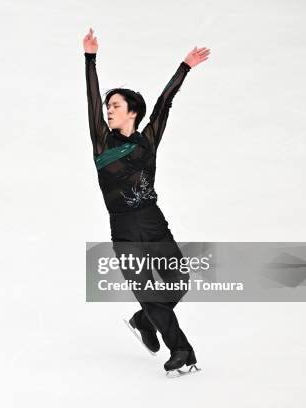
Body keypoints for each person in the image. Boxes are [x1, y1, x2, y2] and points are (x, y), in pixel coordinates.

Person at [82, 27, 210, 375]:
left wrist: (184, 67)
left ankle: (144, 318)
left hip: (153, 220)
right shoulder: (101, 142)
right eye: (108, 107)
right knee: (148, 290)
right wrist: (90, 59)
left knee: (178, 281)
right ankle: (180, 350)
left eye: (116, 106)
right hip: (123, 227)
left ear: (132, 112)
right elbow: (91, 99)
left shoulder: (148, 140)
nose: (109, 110)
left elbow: (164, 104)